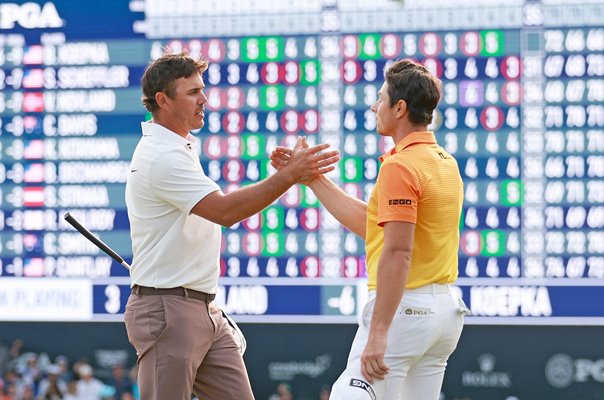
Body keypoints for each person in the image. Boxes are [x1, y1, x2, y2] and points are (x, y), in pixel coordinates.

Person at [124, 51, 339, 400]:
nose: (204, 99)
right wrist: (288, 176)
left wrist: (285, 176)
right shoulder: (161, 156)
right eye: (193, 92)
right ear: (163, 100)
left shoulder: (177, 149)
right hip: (169, 311)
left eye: (202, 89)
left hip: (202, 309)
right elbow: (224, 211)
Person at [271, 59, 468, 399]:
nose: (375, 106)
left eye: (381, 98)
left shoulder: (400, 165)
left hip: (405, 313)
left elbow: (397, 251)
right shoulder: (445, 162)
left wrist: (378, 331)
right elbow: (376, 227)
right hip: (445, 316)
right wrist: (313, 180)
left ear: (400, 108)